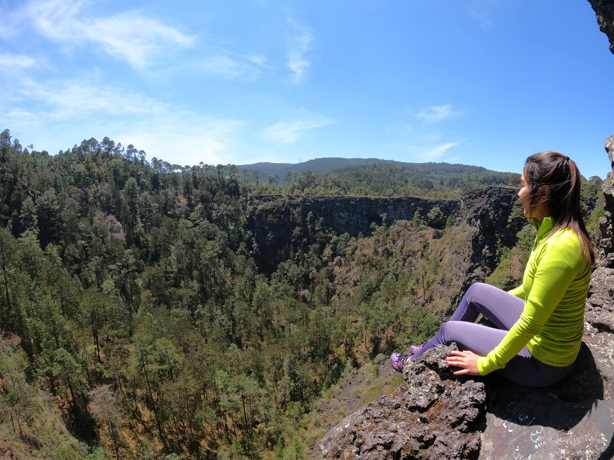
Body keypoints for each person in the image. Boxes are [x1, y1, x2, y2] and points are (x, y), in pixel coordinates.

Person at [391, 151, 594, 387]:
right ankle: (434, 344)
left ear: (544, 193)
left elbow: (530, 323)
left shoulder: (562, 246)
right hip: (545, 335)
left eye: (523, 186)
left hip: (544, 362)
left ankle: (415, 362)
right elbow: (532, 290)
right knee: (476, 292)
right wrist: (495, 306)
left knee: (448, 330)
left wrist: (485, 364)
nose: (519, 194)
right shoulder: (551, 230)